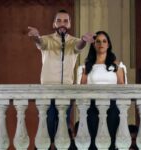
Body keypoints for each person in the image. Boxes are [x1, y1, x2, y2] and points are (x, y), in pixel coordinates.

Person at [28, 9, 94, 149]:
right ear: (54, 24)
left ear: (69, 24)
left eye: (65, 21)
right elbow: (39, 42)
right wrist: (35, 36)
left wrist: (83, 40)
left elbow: (79, 46)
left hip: (66, 91)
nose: (62, 23)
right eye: (59, 21)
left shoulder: (74, 41)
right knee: (48, 123)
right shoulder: (47, 39)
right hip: (47, 90)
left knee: (62, 125)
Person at [77, 31, 126, 150]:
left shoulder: (117, 66)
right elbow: (81, 89)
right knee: (93, 140)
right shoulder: (86, 67)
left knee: (111, 139)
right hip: (92, 107)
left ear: (108, 45)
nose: (101, 44)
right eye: (98, 41)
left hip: (112, 107)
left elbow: (123, 90)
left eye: (104, 41)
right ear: (93, 44)